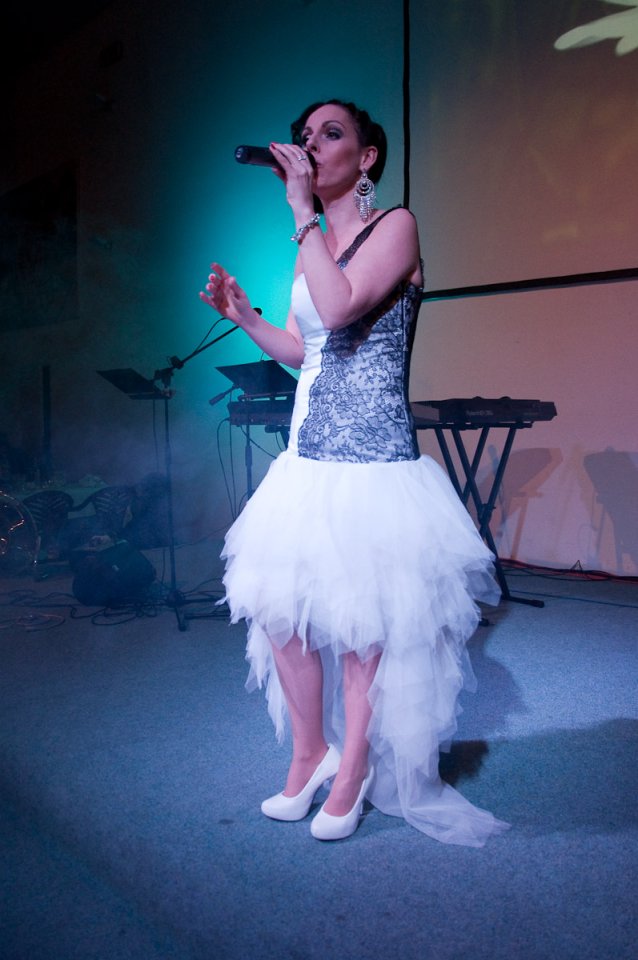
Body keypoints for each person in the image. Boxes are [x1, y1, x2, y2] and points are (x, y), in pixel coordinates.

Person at [200, 99, 509, 845]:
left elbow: (339, 311)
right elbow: (307, 346)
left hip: (372, 461)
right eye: (303, 137)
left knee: (363, 621)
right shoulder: (311, 241)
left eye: (329, 134)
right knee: (280, 608)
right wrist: (246, 318)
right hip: (308, 457)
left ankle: (355, 769)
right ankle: (312, 753)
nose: (310, 145)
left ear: (367, 157)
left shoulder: (394, 226)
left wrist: (301, 212)